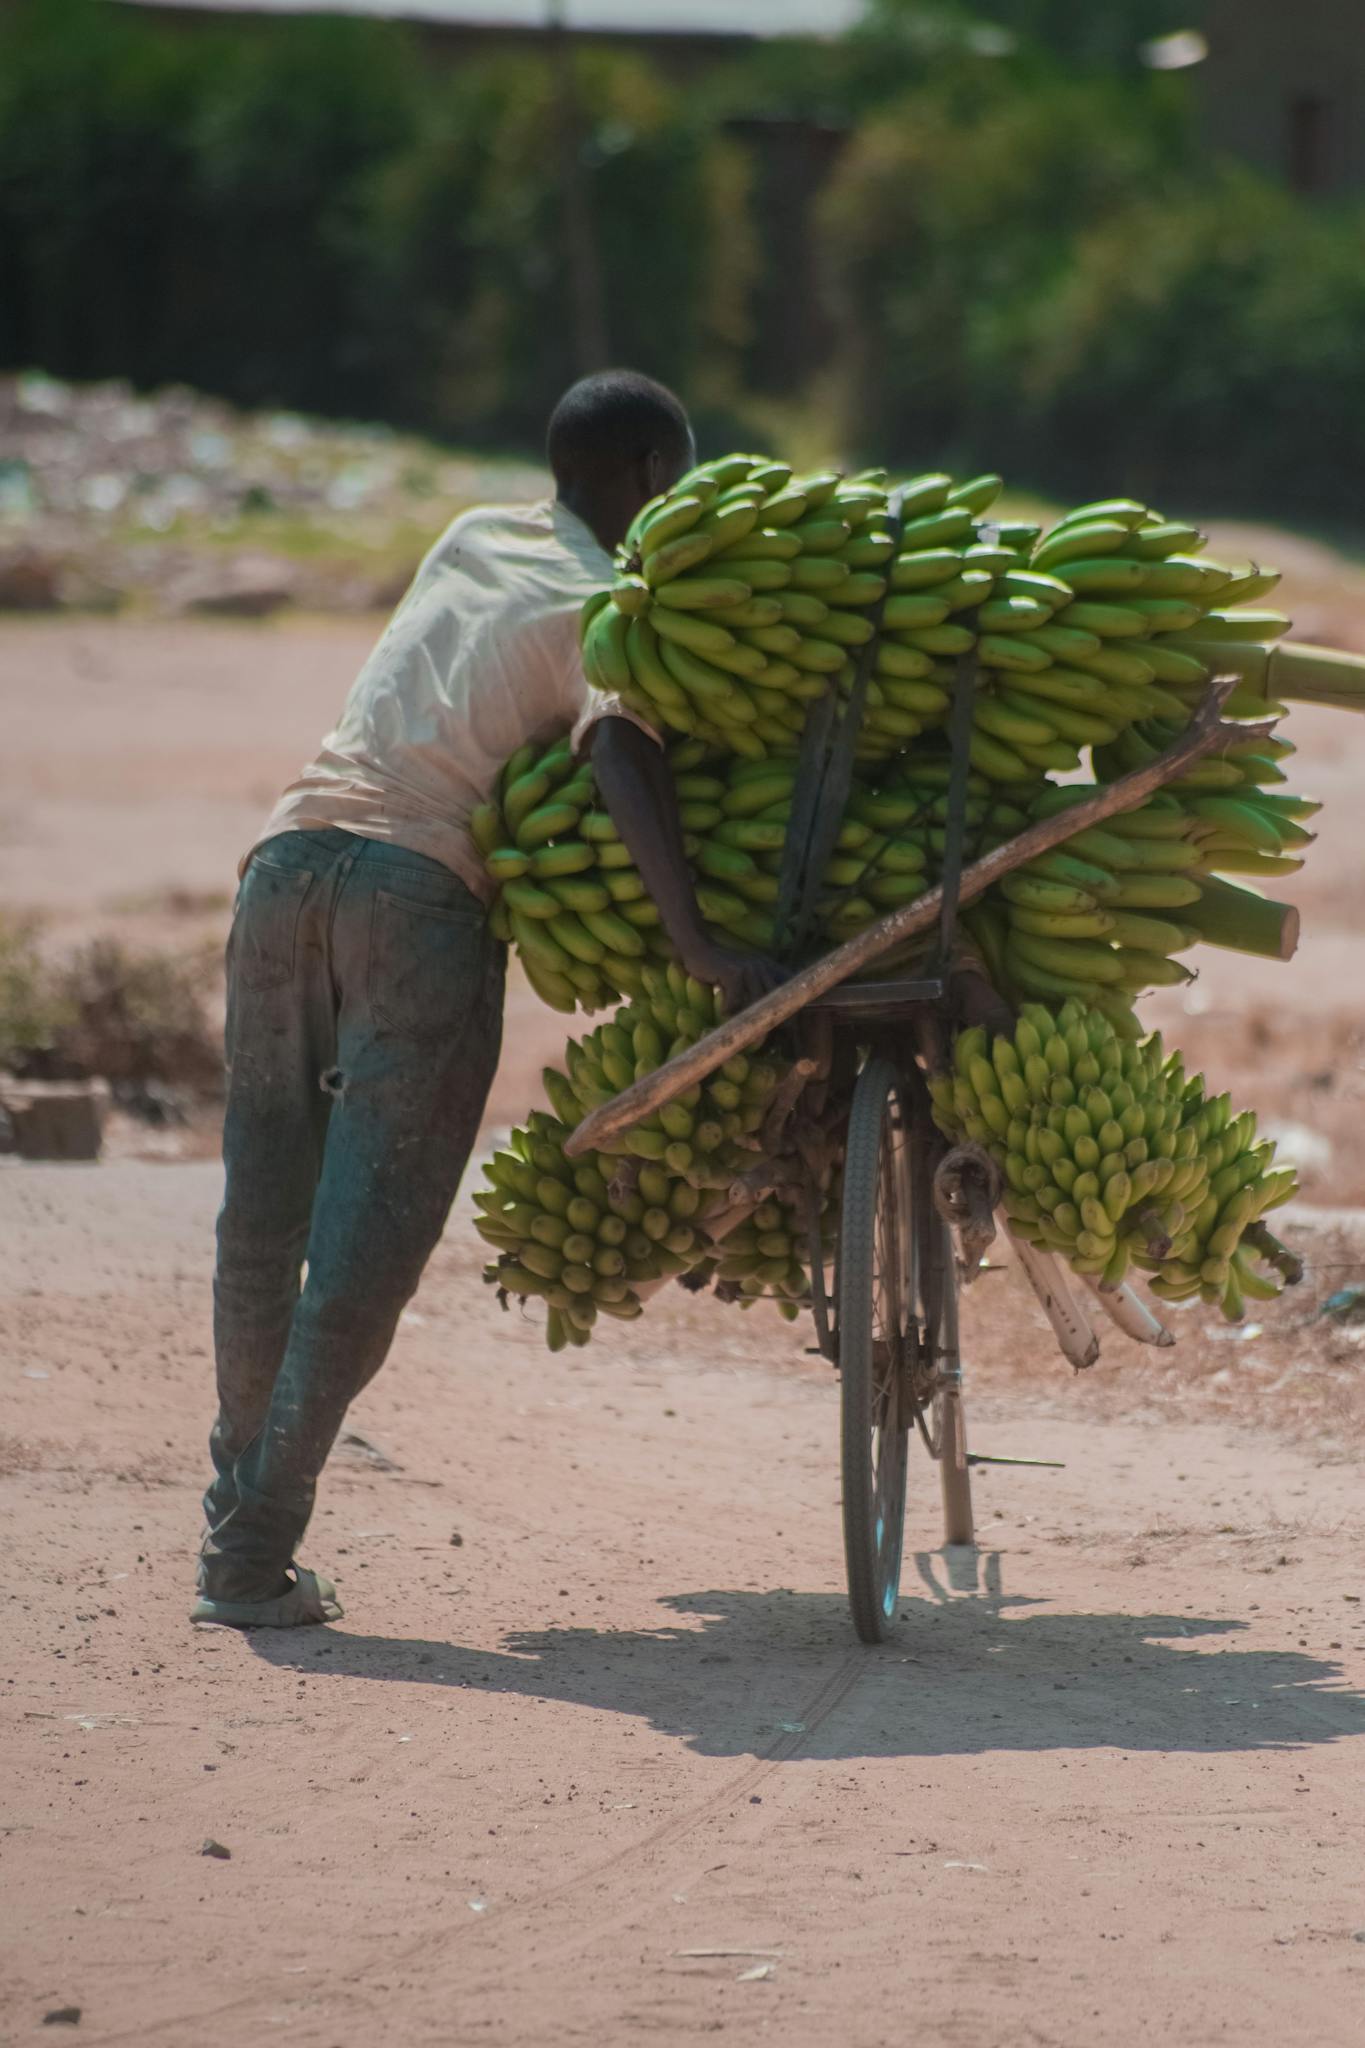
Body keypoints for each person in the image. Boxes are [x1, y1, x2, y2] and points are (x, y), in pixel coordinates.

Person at [193, 370, 783, 1628]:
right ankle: (250, 1552)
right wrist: (695, 934)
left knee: (261, 1215)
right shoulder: (611, 600)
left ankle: (233, 1516)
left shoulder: (469, 535)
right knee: (364, 1245)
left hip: (285, 864)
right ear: (644, 482)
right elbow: (618, 748)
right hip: (421, 895)